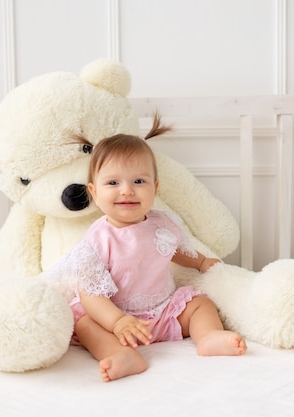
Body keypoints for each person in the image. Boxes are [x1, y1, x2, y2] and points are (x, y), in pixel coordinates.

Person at [53, 120, 246, 382]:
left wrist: (200, 262)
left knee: (200, 304)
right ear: (94, 192)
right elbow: (91, 294)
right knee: (86, 324)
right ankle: (121, 354)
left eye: (139, 180)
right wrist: (117, 322)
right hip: (117, 321)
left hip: (164, 312)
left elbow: (173, 250)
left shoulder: (161, 223)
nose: (127, 190)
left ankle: (208, 336)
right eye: (113, 182)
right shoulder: (97, 240)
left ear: (154, 188)